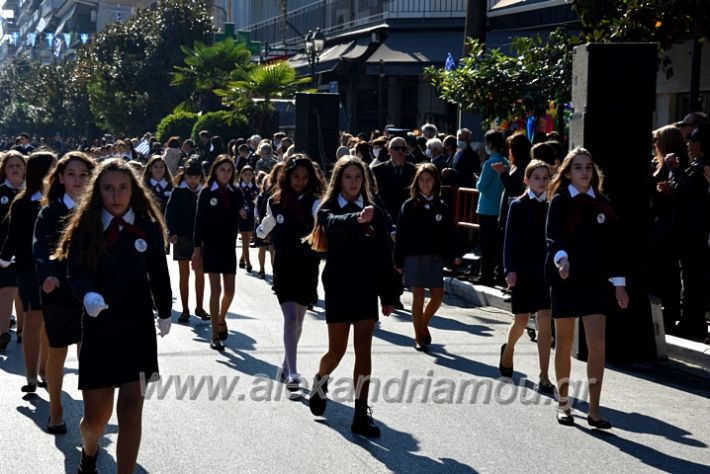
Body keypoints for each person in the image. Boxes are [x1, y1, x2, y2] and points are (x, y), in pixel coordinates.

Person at [54, 158, 172, 473]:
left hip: (138, 328)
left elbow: (159, 273)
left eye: (123, 188)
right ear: (98, 191)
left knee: (132, 410)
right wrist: (88, 294)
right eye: (108, 188)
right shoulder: (85, 226)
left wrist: (165, 311)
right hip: (100, 327)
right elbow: (76, 272)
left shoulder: (146, 227)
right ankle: (89, 452)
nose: (116, 195)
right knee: (96, 419)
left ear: (134, 190)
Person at [306, 156, 398, 438]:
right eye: (348, 177)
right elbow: (332, 223)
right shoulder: (328, 208)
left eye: (358, 177)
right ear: (339, 180)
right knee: (336, 351)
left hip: (366, 287)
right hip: (338, 285)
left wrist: (389, 294)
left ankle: (360, 413)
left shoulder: (376, 211)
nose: (354, 183)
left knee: (364, 349)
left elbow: (385, 255)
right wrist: (357, 219)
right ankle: (320, 382)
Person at [546, 147, 629, 429]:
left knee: (598, 343)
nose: (584, 172)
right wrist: (562, 262)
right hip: (566, 279)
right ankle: (564, 404)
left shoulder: (602, 204)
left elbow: (614, 248)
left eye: (588, 167)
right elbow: (553, 238)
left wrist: (619, 284)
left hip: (594, 280)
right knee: (566, 342)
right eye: (578, 167)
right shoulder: (559, 201)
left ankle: (594, 411)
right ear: (568, 172)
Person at [33, 152, 95, 433]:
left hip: (92, 294)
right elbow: (41, 246)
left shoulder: (100, 210)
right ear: (60, 178)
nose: (78, 180)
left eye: (83, 174)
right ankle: (55, 408)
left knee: (90, 353)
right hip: (58, 291)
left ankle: (92, 409)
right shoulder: (49, 212)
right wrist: (47, 274)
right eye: (71, 174)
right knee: (57, 352)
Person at [257, 155, 324, 392]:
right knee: (291, 318)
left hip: (307, 266)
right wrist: (261, 231)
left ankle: (287, 363)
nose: (300, 181)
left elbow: (322, 219)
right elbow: (265, 227)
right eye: (296, 176)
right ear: (287, 176)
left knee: (299, 319)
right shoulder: (275, 202)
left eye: (305, 177)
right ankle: (293, 374)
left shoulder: (315, 202)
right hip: (284, 266)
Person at [0, 151, 56, 392]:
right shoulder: (22, 202)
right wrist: (3, 259)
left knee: (50, 322)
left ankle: (45, 370)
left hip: (56, 269)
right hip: (27, 268)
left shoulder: (60, 201)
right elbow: (13, 235)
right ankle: (31, 375)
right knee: (33, 318)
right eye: (54, 168)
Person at [393, 163, 461, 351]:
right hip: (414, 256)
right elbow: (402, 235)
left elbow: (450, 232)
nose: (425, 183)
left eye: (429, 179)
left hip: (435, 256)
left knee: (438, 297)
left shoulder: (441, 205)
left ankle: (423, 324)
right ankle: (418, 337)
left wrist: (455, 253)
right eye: (421, 180)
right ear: (416, 182)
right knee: (418, 297)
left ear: (435, 182)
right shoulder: (409, 205)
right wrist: (398, 260)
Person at [500, 160, 554, 393]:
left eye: (545, 177)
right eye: (536, 178)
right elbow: (510, 240)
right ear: (526, 180)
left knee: (545, 322)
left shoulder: (553, 205)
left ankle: (544, 375)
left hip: (546, 272)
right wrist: (509, 269)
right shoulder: (518, 205)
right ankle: (509, 349)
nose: (542, 182)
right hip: (522, 271)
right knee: (521, 322)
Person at [192, 155, 248, 351]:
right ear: (215, 171)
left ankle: (221, 317)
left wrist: (243, 211)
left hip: (228, 247)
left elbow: (243, 206)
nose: (226, 173)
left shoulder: (235, 192)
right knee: (215, 290)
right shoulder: (207, 193)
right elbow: (198, 223)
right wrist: (197, 250)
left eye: (229, 170)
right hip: (211, 247)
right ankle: (215, 334)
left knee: (230, 291)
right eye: (222, 169)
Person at [664, 123, 710, 340]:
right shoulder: (698, 167)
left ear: (698, 144)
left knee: (693, 281)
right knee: (692, 280)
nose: (688, 147)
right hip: (694, 234)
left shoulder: (703, 168)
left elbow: (682, 188)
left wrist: (673, 170)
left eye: (690, 143)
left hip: (695, 235)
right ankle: (692, 321)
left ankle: (693, 323)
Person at [165, 159, 209, 323]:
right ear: (185, 176)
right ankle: (185, 310)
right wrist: (172, 232)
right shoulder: (177, 191)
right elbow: (169, 214)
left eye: (196, 177)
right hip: (181, 237)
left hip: (200, 239)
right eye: (190, 177)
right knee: (184, 274)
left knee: (199, 273)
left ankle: (200, 307)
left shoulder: (204, 192)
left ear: (200, 177)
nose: (193, 180)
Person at [473, 130, 508, 286]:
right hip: (499, 208)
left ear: (490, 144)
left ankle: (485, 275)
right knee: (498, 244)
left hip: (487, 208)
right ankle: (497, 273)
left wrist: (477, 180)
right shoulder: (506, 162)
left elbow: (481, 186)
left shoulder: (489, 163)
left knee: (486, 244)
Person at [0, 151, 25, 351]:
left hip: (28, 253)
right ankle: (2, 334)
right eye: (10, 165)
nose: (15, 169)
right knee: (7, 291)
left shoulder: (35, 194)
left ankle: (23, 331)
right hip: (4, 253)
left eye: (18, 165)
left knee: (22, 294)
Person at [254, 163, 284, 279]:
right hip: (275, 228)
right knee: (273, 250)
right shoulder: (270, 194)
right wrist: (262, 231)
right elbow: (268, 215)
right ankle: (275, 276)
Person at [238, 165, 258, 273]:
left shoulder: (255, 188)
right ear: (241, 175)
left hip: (252, 215)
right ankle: (248, 262)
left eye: (250, 174)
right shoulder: (238, 188)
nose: (247, 176)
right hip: (241, 215)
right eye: (245, 174)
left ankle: (242, 258)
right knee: (245, 237)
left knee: (248, 237)